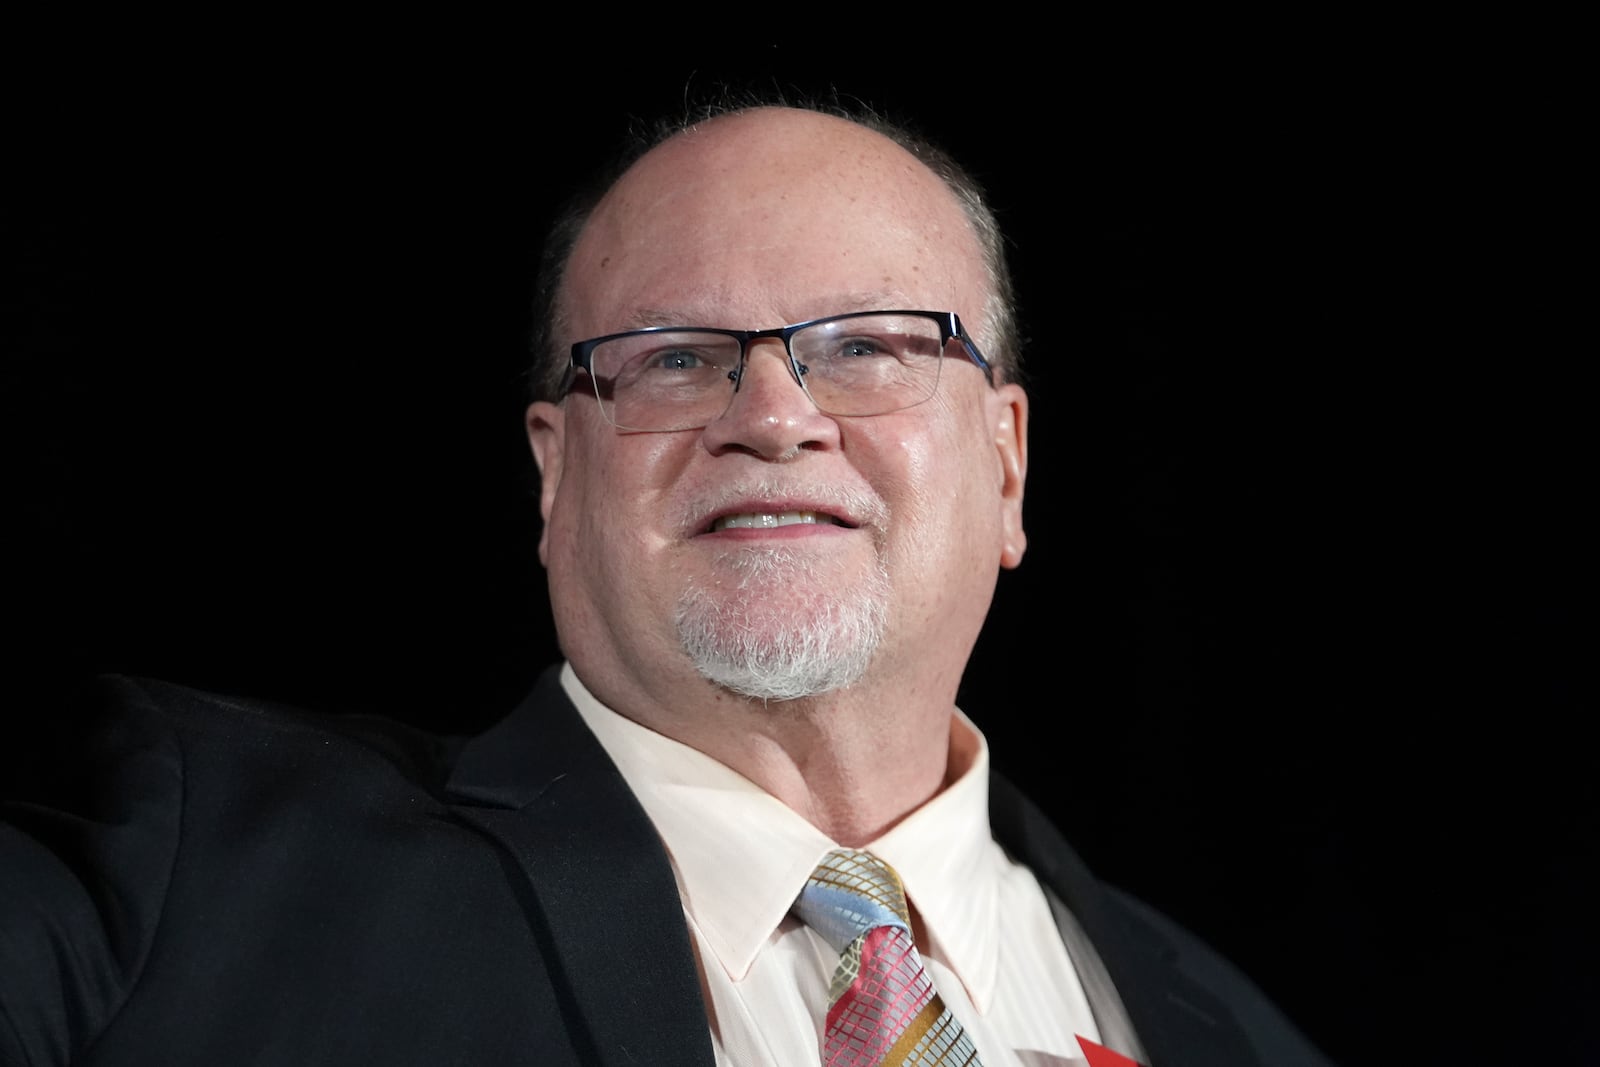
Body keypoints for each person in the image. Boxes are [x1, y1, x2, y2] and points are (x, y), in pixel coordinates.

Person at [1, 97, 1339, 1066]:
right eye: (673, 359)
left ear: (1007, 465)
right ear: (553, 476)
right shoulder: (187, 870)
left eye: (868, 346)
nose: (771, 413)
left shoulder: (1240, 1032)